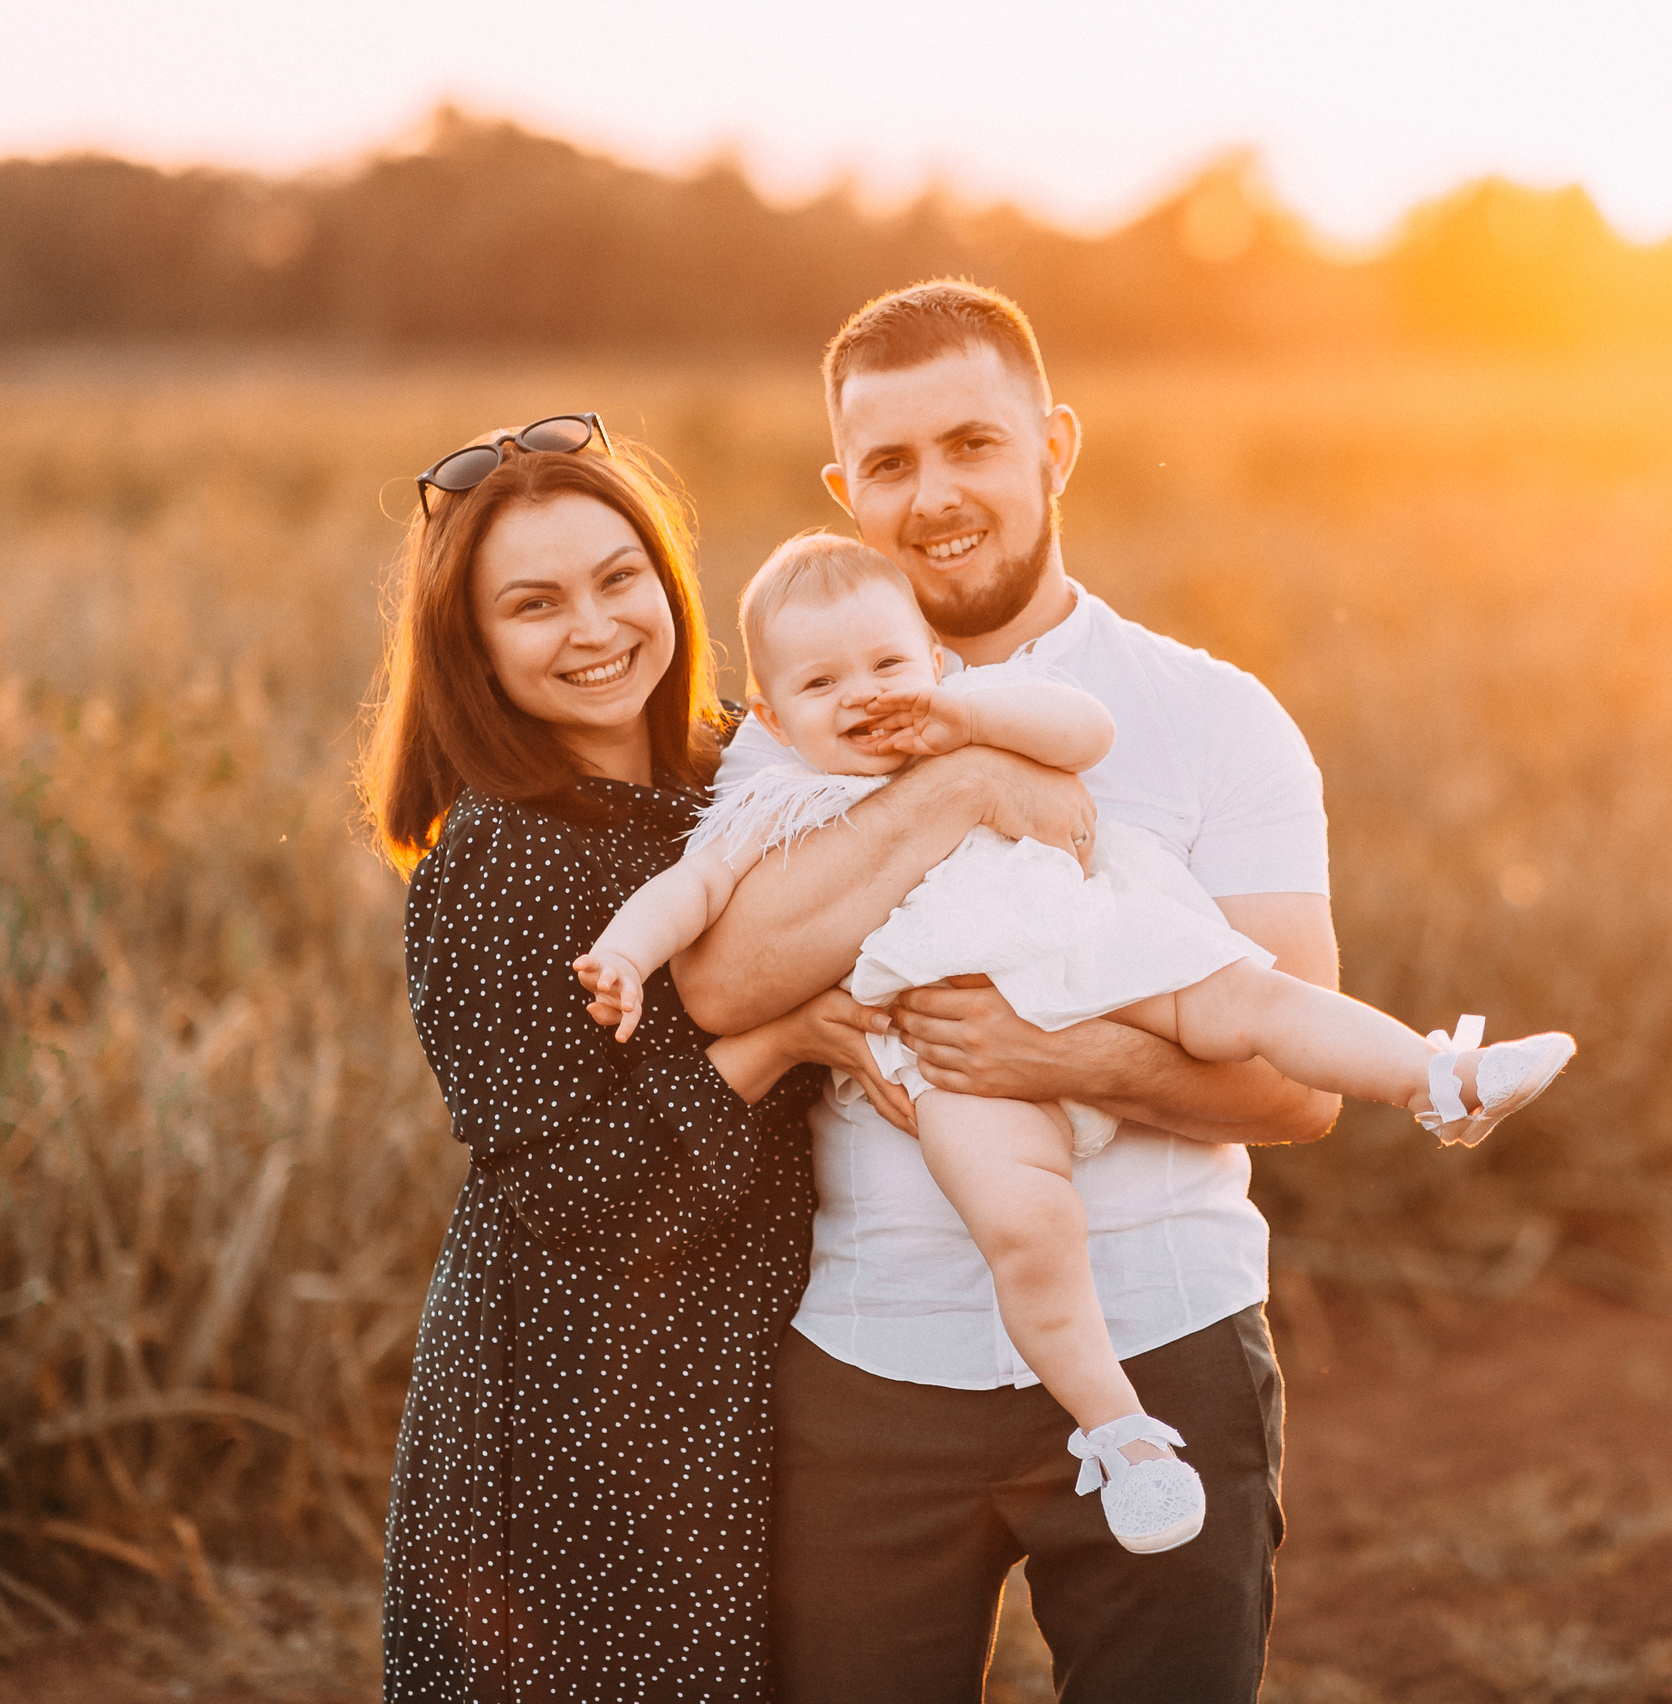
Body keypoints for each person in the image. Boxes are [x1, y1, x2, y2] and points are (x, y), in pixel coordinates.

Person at [663, 280, 1417, 1703]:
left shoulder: (1212, 718)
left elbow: (1301, 1086)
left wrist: (1046, 1056)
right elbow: (724, 981)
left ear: (1054, 447)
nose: (934, 495)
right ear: (844, 488)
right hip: (866, 1365)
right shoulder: (788, 718)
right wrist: (965, 787)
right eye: (888, 465)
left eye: (973, 445)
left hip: (1163, 1333)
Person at [576, 533, 1574, 1559]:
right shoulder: (775, 793)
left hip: (1092, 949)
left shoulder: (969, 720)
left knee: (1254, 1000)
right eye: (822, 682)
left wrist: (958, 718)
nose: (862, 696)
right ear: (775, 716)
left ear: (933, 663)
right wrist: (623, 952)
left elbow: (1085, 728)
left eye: (887, 667)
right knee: (1025, 1231)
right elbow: (689, 896)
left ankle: (1439, 1074)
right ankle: (1124, 1436)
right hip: (950, 1050)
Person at [359, 417, 894, 1702]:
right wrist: (773, 1042)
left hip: (730, 1377)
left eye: (617, 579)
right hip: (571, 1418)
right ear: (473, 646)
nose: (593, 627)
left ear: (668, 583)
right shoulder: (501, 856)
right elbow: (571, 1191)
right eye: (533, 604)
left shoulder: (744, 772)